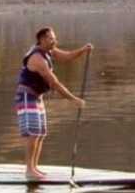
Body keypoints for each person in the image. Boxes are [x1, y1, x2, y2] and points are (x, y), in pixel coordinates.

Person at [16, 26, 92, 179]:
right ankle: (29, 170)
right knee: (33, 133)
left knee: (41, 133)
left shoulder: (48, 50)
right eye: (51, 38)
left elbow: (67, 56)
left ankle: (34, 167)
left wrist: (83, 50)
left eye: (54, 38)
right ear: (42, 40)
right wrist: (73, 99)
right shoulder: (37, 58)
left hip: (37, 97)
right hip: (26, 97)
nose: (54, 41)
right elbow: (54, 83)